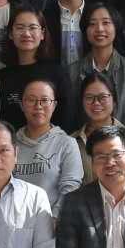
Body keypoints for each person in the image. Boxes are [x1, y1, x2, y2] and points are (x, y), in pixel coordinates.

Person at [66, 1, 125, 134]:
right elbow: (69, 118)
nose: (99, 29)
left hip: (122, 144)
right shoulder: (72, 71)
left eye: (106, 23)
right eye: (92, 24)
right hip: (82, 144)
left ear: (116, 27)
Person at [11, 77, 82, 206]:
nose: (38, 106)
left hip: (54, 217)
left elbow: (71, 189)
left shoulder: (67, 144)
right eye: (31, 100)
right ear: (21, 105)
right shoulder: (10, 144)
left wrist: (54, 216)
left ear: (54, 105)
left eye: (44, 100)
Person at [0, 6, 72, 129]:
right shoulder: (2, 76)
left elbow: (66, 117)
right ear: (10, 34)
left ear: (42, 34)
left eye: (32, 27)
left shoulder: (57, 73)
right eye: (20, 28)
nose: (26, 33)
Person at [73, 73, 125, 189]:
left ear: (114, 100)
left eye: (103, 97)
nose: (96, 103)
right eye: (89, 97)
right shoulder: (72, 141)